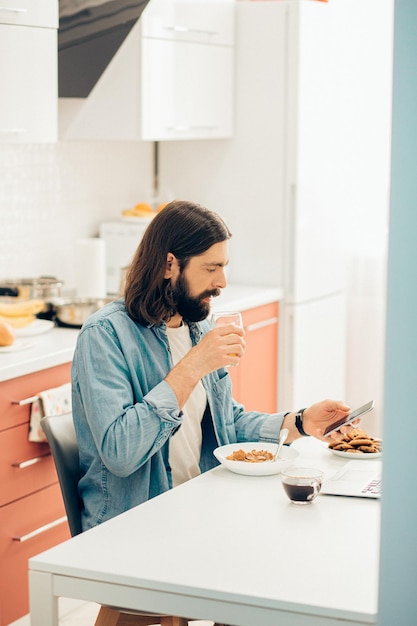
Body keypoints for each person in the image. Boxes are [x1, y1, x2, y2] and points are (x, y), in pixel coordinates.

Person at [71, 200, 350, 531]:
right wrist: (191, 368)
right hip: (132, 528)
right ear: (168, 265)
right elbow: (120, 454)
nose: (222, 282)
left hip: (197, 508)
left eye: (224, 267)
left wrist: (302, 422)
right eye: (210, 268)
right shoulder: (105, 335)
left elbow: (225, 422)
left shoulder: (196, 326)